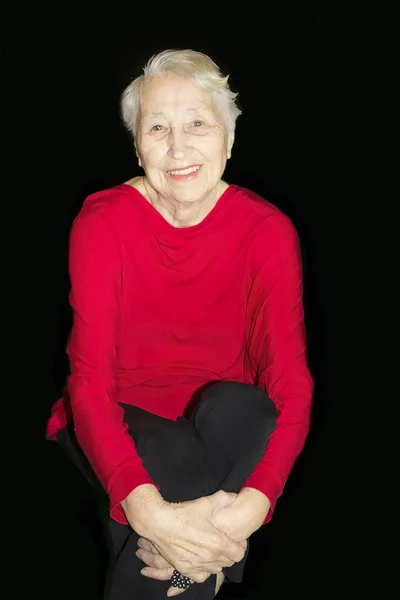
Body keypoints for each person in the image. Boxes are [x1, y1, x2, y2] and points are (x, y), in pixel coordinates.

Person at [46, 49, 314, 599]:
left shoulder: (267, 231)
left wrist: (248, 513)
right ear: (137, 142)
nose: (177, 147)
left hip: (224, 425)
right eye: (157, 127)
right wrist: (148, 513)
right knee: (178, 468)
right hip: (115, 413)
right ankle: (198, 571)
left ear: (229, 137)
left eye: (197, 123)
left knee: (250, 410)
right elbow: (89, 384)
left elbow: (291, 383)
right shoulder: (104, 223)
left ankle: (194, 560)